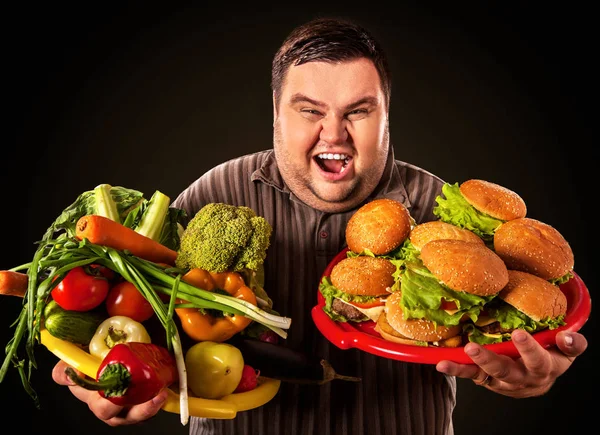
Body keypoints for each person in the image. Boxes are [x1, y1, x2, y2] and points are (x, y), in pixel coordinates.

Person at [51, 16, 588, 434]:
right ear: (276, 113)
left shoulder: (443, 214)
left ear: (387, 113)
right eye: (309, 110)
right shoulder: (212, 195)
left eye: (359, 110)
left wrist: (526, 376)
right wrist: (105, 380)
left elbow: (502, 338)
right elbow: (125, 313)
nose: (335, 134)